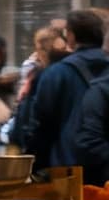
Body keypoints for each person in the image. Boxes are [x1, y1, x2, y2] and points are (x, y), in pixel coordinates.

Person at [16, 9, 109, 171]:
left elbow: (41, 123)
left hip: (66, 167)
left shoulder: (56, 73)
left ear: (71, 36)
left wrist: (35, 162)